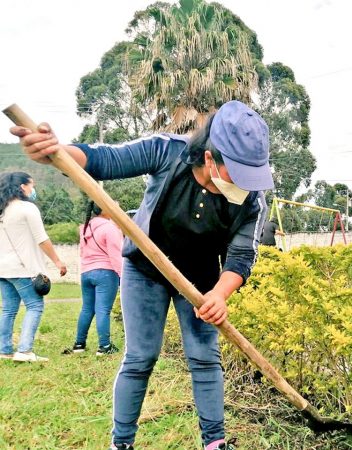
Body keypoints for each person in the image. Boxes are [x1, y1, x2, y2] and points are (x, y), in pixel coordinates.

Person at [11, 100, 272, 450]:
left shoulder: (253, 200)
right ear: (210, 158)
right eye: (236, 173)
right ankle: (122, 443)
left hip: (201, 281)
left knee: (204, 357)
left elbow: (242, 255)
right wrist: (55, 152)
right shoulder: (168, 152)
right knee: (140, 356)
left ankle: (215, 443)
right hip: (145, 270)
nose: (246, 185)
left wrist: (219, 295)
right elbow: (104, 159)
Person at [0, 171, 67, 362]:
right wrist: (57, 261)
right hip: (22, 267)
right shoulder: (27, 208)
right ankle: (25, 350)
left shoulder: (2, 209)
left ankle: (4, 350)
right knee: (35, 305)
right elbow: (42, 239)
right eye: (32, 185)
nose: (33, 189)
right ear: (23, 187)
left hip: (3, 269)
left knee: (8, 310)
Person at [67, 201, 122, 356]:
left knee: (87, 308)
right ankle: (104, 346)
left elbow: (82, 253)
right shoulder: (109, 228)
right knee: (103, 310)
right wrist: (123, 277)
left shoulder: (86, 227)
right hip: (105, 272)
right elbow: (116, 255)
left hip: (86, 273)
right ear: (104, 210)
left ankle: (79, 344)